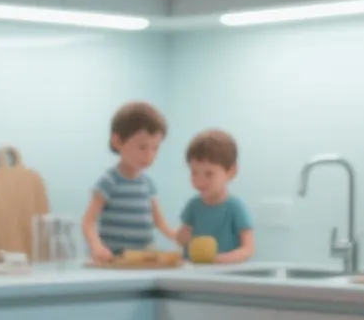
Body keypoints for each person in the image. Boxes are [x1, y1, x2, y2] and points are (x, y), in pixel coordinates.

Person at [83, 101, 177, 262]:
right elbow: (88, 221)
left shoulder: (148, 185)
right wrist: (97, 247)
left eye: (155, 148)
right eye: (142, 147)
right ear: (117, 141)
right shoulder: (109, 181)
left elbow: (160, 222)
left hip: (143, 260)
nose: (149, 155)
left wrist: (179, 238)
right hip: (114, 260)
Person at [175, 129, 255, 265]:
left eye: (209, 174)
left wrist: (221, 259)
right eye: (194, 172)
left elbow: (248, 249)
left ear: (231, 172)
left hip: (225, 274)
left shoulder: (235, 207)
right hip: (194, 272)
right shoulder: (193, 206)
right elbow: (182, 237)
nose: (200, 181)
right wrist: (181, 238)